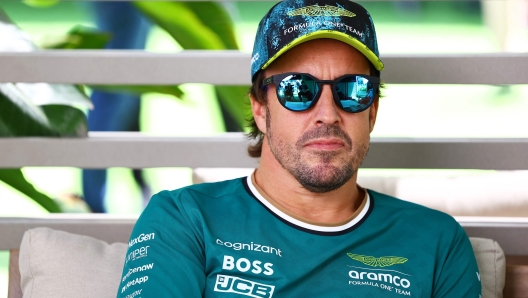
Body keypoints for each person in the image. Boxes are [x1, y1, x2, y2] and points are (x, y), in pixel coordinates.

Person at [116, 0, 482, 297]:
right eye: (297, 89)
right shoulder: (184, 219)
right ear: (260, 109)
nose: (328, 114)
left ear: (372, 111)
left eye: (352, 89)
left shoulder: (437, 241)